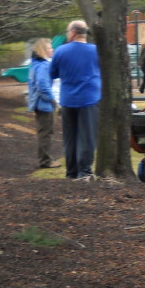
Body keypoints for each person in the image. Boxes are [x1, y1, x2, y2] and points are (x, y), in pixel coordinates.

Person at [49, 19, 101, 180]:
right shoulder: (96, 51)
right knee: (87, 137)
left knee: (70, 137)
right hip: (89, 99)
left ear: (73, 33)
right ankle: (84, 171)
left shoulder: (60, 51)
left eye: (67, 32)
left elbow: (53, 73)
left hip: (68, 99)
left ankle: (71, 171)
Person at [26, 37, 57, 169]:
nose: (52, 50)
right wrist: (52, 100)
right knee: (46, 133)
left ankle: (45, 159)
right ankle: (45, 161)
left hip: (38, 103)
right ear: (43, 50)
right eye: (49, 48)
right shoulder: (44, 66)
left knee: (43, 132)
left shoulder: (35, 64)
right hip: (44, 104)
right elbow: (43, 85)